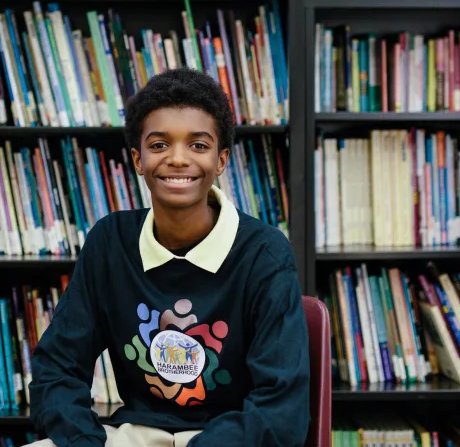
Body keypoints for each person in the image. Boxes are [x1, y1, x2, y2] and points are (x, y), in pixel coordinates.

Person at [26, 67, 310, 447]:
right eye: (159, 145)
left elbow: (281, 407)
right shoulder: (110, 243)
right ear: (138, 159)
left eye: (198, 145)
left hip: (229, 439)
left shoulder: (265, 253)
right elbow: (56, 369)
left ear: (222, 160)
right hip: (131, 437)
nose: (177, 159)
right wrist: (84, 442)